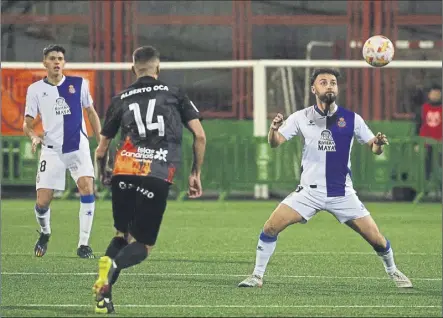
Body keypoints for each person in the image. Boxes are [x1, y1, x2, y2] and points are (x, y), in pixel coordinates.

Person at [238, 68, 412, 289]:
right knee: (270, 227)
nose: (329, 86)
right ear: (314, 89)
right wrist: (273, 130)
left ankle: (393, 271)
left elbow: (374, 148)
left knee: (376, 238)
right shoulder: (301, 117)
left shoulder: (352, 119)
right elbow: (276, 142)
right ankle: (257, 275)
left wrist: (378, 142)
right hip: (309, 192)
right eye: (323, 82)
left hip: (342, 192)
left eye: (332, 82)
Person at [92, 45, 206, 314]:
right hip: (155, 173)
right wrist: (195, 173)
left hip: (124, 170)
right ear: (158, 67)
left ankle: (103, 296)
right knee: (143, 245)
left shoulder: (120, 97)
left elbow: (100, 149)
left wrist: (103, 173)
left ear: (133, 69)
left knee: (122, 234)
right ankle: (111, 272)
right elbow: (200, 135)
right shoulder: (175, 94)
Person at [23, 44, 102, 259]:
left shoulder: (79, 84)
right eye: (52, 58)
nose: (57, 62)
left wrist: (101, 139)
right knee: (42, 202)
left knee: (87, 188)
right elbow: (27, 123)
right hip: (52, 150)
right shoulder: (35, 90)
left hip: (78, 147)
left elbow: (91, 112)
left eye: (60, 58)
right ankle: (46, 233)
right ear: (45, 63)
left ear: (64, 63)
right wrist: (33, 136)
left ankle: (83, 244)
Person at [415, 84, 442, 181]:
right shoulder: (423, 108)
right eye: (433, 93)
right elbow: (418, 126)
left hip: (440, 143)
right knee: (426, 166)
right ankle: (425, 186)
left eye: (438, 93)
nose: (435, 95)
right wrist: (417, 143)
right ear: (429, 95)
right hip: (425, 143)